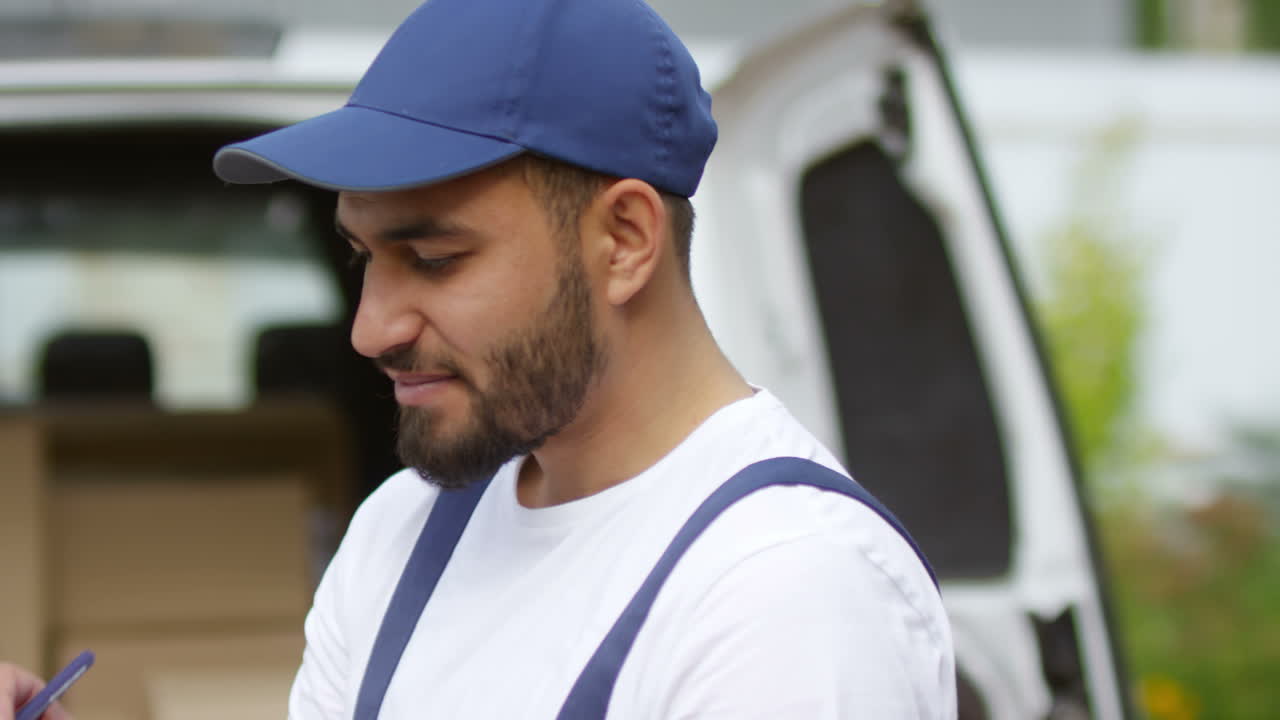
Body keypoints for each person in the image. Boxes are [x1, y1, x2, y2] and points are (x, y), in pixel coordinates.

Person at [4, 0, 955, 718]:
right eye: (362, 258)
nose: (370, 329)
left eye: (433, 259)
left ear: (624, 239)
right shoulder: (405, 531)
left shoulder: (783, 593)